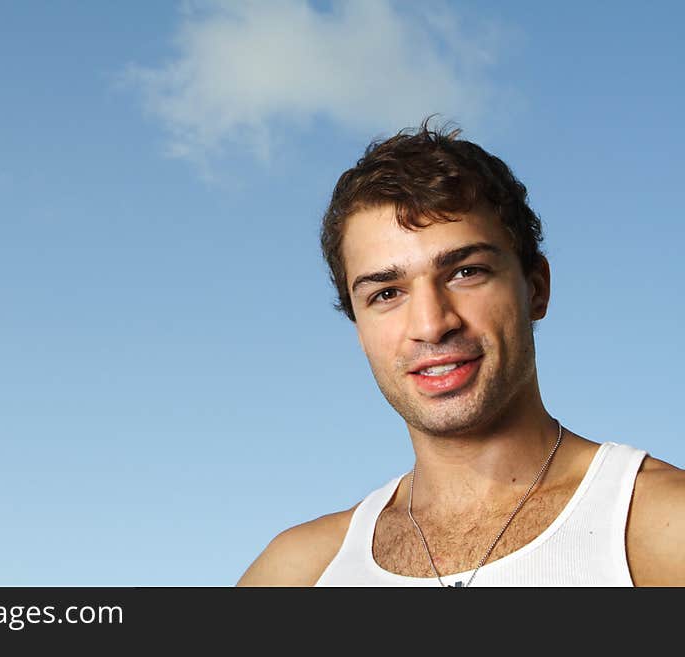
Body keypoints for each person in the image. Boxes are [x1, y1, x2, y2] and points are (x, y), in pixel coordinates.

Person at [236, 118, 684, 587]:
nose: (432, 324)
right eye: (386, 294)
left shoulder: (662, 529)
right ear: (359, 329)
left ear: (536, 288)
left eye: (466, 272)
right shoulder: (298, 572)